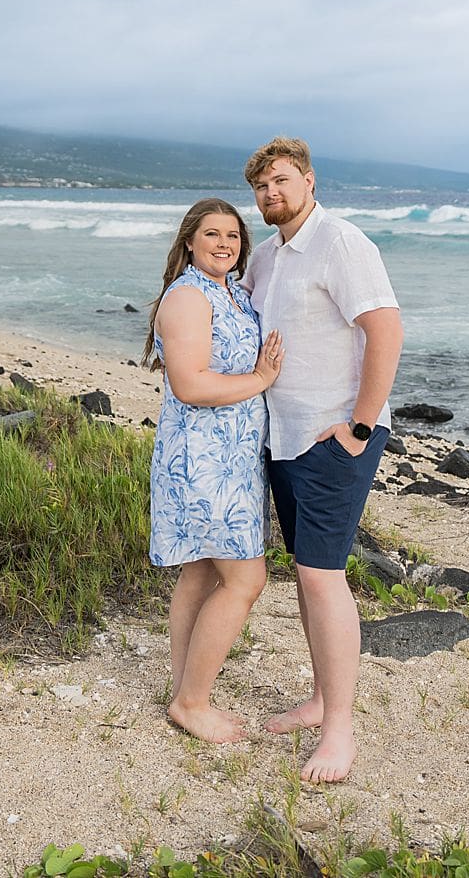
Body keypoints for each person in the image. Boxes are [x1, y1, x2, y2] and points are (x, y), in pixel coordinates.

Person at [243, 137, 403, 784]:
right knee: (307, 574)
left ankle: (340, 727)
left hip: (333, 437)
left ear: (309, 180)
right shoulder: (268, 254)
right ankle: (319, 699)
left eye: (280, 181)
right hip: (283, 435)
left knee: (320, 576)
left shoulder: (341, 242)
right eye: (260, 187)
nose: (270, 194)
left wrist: (361, 426)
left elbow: (385, 327)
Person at [144, 196, 284, 743]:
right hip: (203, 462)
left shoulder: (231, 293)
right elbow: (192, 385)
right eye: (212, 235)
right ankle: (193, 702)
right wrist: (262, 380)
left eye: (232, 236)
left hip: (235, 458)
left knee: (201, 573)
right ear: (188, 243)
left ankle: (183, 689)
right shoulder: (186, 299)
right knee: (247, 579)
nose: (224, 243)